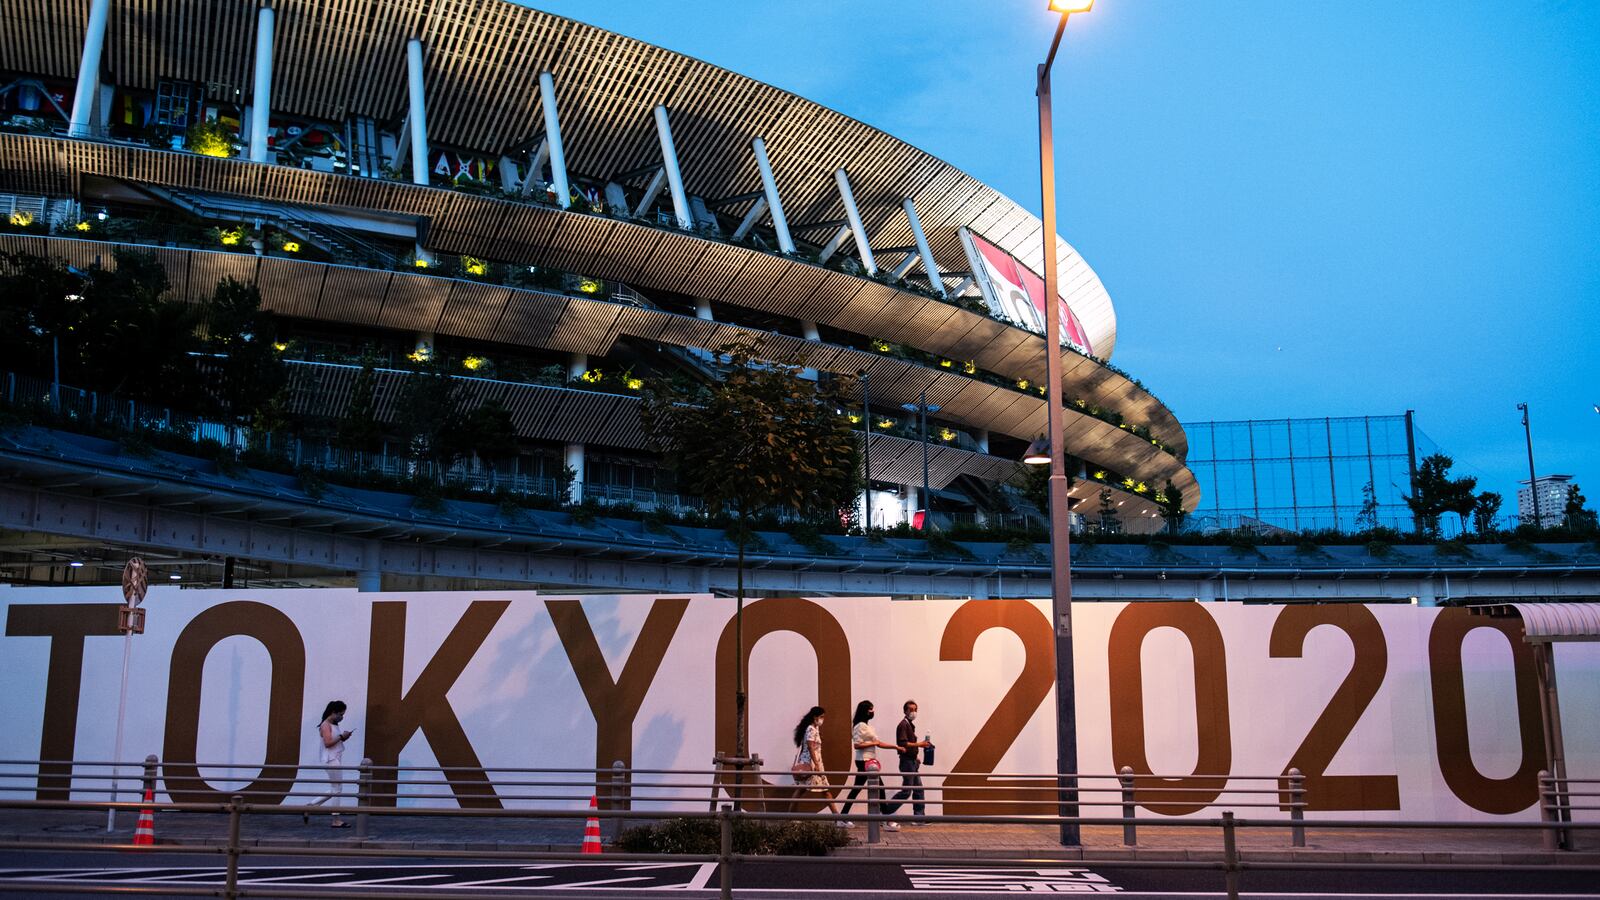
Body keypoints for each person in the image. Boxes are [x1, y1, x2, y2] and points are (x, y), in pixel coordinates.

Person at [840, 700, 901, 829]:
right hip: (864, 761)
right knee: (880, 789)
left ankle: (842, 817)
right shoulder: (860, 726)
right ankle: (886, 820)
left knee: (856, 789)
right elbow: (857, 745)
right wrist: (874, 743)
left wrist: (895, 747)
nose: (873, 711)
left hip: (868, 761)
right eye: (870, 709)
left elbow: (878, 743)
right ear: (865, 711)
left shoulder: (866, 726)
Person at [790, 705, 846, 826]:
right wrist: (816, 764)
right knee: (824, 790)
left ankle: (790, 816)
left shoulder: (813, 728)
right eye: (821, 717)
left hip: (812, 763)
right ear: (815, 717)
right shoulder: (811, 729)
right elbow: (810, 747)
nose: (822, 719)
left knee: (804, 790)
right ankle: (838, 818)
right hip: (812, 765)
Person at [305, 700, 354, 828]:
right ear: (333, 712)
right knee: (337, 789)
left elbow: (333, 742)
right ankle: (335, 819)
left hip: (333, 758)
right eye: (340, 714)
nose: (342, 717)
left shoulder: (331, 724)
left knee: (335, 788)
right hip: (331, 759)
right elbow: (328, 743)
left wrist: (343, 737)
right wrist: (342, 737)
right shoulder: (326, 725)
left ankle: (311, 806)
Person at [890, 699, 931, 823]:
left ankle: (919, 818)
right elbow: (902, 743)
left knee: (918, 789)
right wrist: (920, 744)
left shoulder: (909, 725)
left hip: (911, 761)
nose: (914, 712)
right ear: (905, 711)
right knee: (906, 791)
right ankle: (885, 811)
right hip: (907, 762)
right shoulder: (903, 725)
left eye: (915, 710)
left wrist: (915, 756)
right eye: (911, 710)